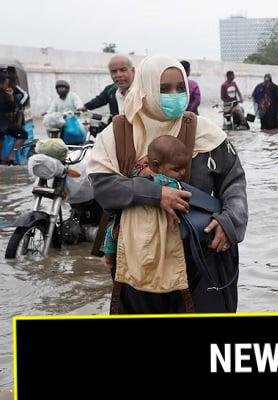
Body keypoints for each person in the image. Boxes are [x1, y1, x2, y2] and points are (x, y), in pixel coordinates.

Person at [88, 55, 248, 314]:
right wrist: (156, 194)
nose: (175, 94)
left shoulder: (206, 133)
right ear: (146, 87)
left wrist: (229, 222)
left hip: (198, 257)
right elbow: (104, 187)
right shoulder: (118, 134)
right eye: (164, 89)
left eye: (179, 88)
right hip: (138, 259)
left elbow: (234, 184)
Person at [101, 135, 190, 269]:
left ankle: (108, 259)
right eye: (177, 169)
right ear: (156, 165)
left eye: (184, 168)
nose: (183, 173)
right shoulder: (170, 183)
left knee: (111, 232)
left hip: (133, 225)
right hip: (157, 230)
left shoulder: (138, 172)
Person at [79, 55, 135, 122]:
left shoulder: (142, 91)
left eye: (123, 70)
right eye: (114, 71)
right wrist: (85, 107)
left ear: (133, 71)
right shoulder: (111, 90)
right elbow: (99, 100)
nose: (118, 75)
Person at [0, 73, 28, 165]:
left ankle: (7, 158)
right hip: (3, 123)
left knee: (2, 136)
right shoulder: (2, 93)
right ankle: (10, 157)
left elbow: (10, 109)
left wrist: (11, 97)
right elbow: (9, 109)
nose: (6, 85)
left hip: (4, 122)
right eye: (5, 83)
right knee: (23, 134)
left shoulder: (4, 92)